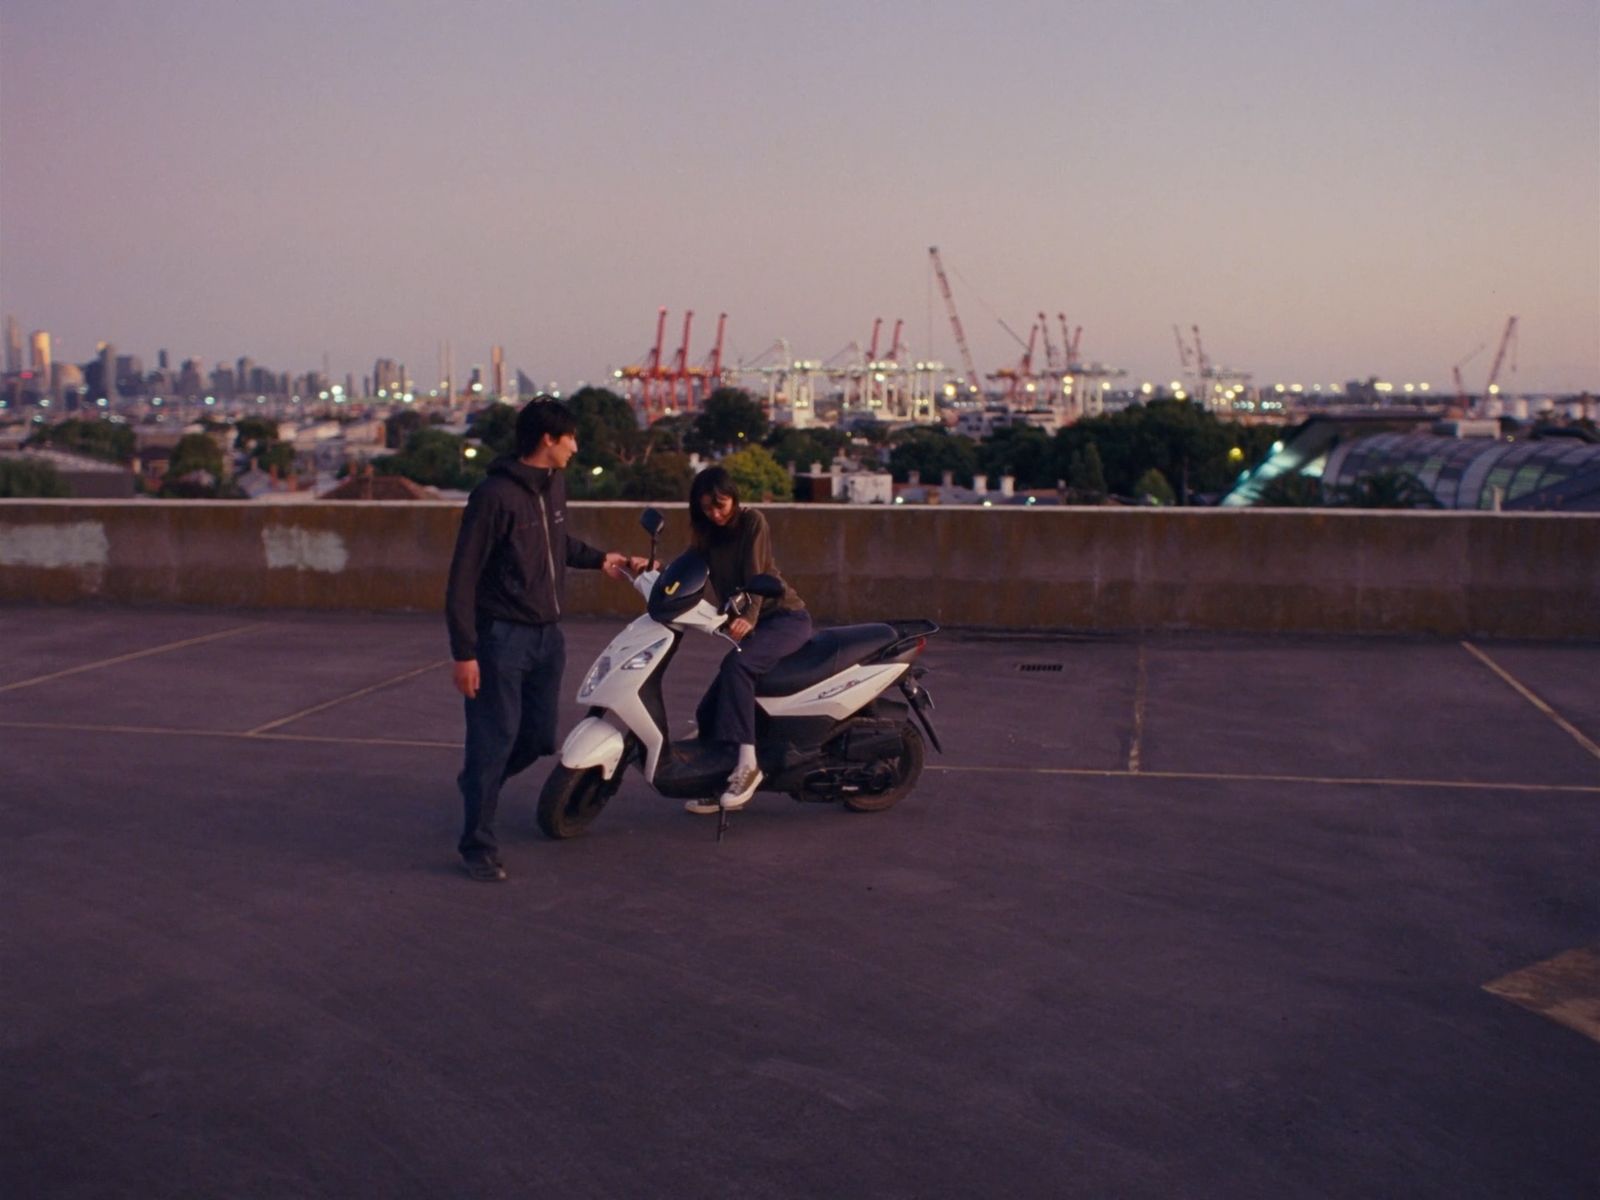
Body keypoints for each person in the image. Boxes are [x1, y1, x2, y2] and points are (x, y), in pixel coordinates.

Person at [445, 398, 645, 881]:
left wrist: (601, 559)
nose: (576, 447)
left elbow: (556, 546)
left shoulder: (555, 485)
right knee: (493, 741)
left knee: (537, 739)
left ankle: (478, 784)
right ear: (547, 440)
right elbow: (462, 579)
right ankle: (478, 845)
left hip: (547, 639)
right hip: (501, 641)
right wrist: (465, 652)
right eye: (570, 438)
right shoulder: (493, 496)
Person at [684, 465, 812, 815]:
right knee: (707, 710)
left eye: (721, 504)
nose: (715, 513)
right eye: (707, 508)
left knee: (738, 667)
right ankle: (715, 779)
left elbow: (756, 574)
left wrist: (747, 617)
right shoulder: (707, 534)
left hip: (783, 618)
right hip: (752, 623)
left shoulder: (753, 521)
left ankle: (748, 763)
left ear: (734, 499)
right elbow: (684, 569)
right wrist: (648, 574)